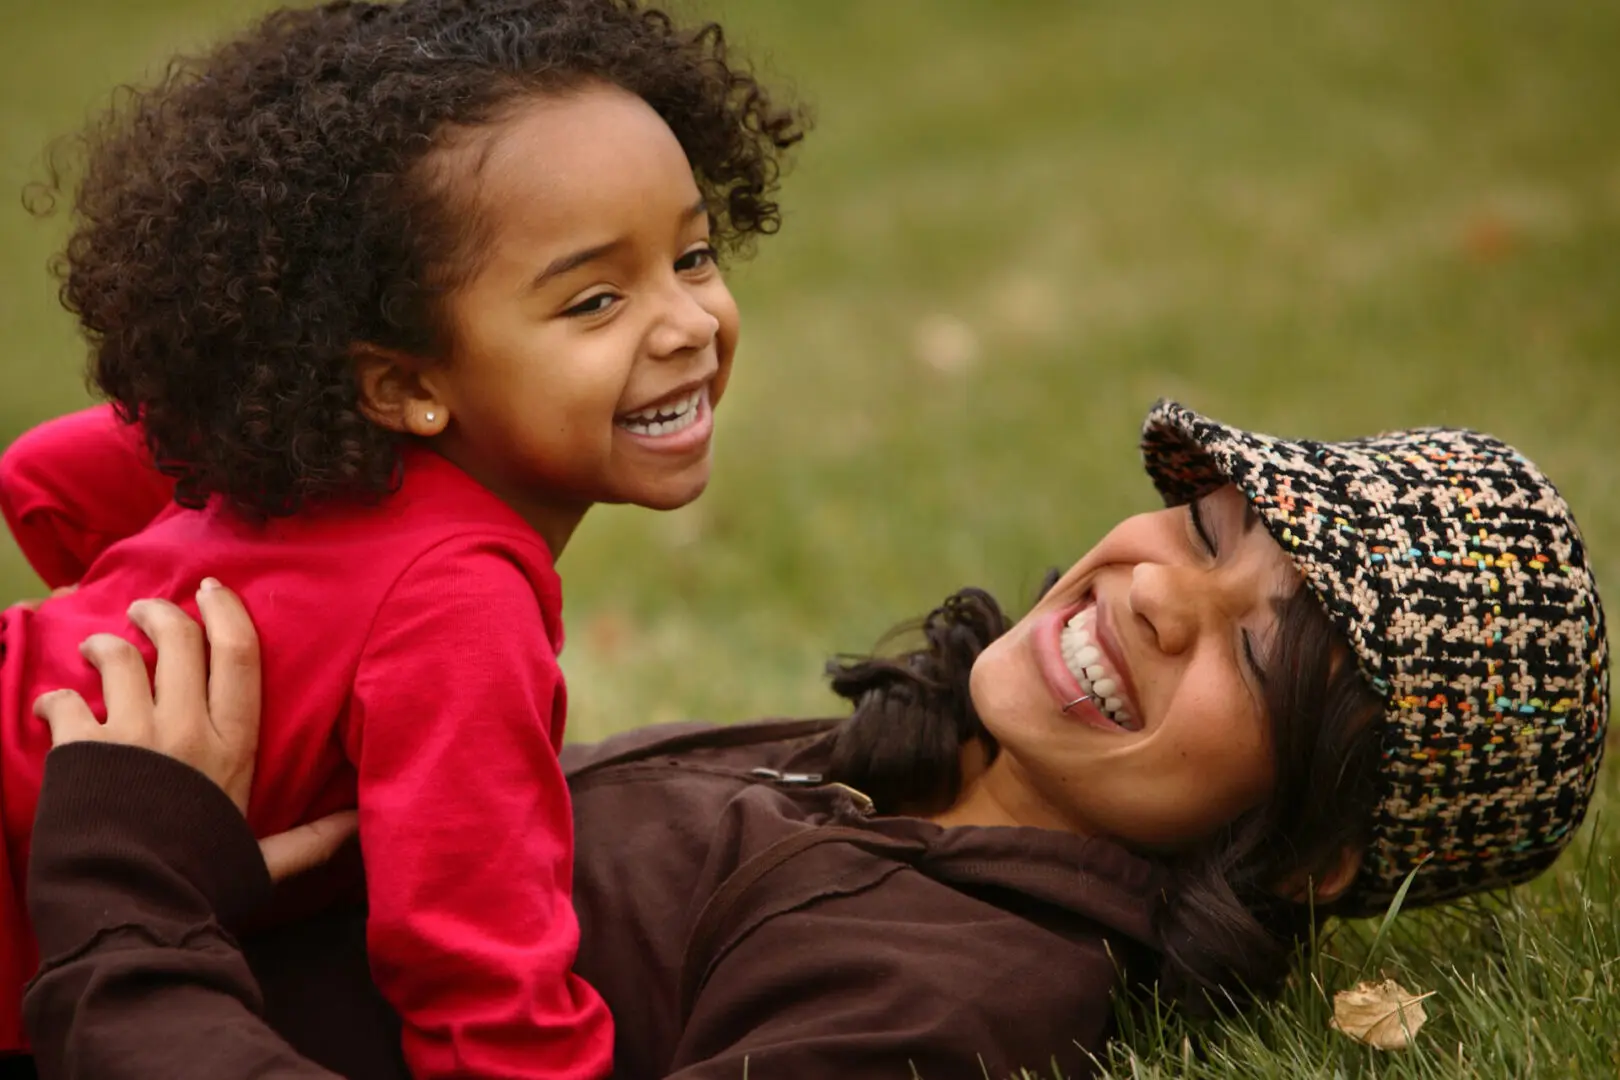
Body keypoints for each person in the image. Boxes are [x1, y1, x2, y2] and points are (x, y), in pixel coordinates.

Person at [19, 400, 1608, 1078]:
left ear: (1323, 851)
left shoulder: (960, 989)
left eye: (1263, 652)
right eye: (1206, 527)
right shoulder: (895, 779)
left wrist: (129, 900)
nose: (1157, 596)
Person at [0, 0, 804, 1074]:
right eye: (596, 300)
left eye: (694, 255)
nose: (689, 323)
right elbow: (482, 991)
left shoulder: (296, 459)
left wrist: (163, 617)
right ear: (405, 382)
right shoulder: (456, 603)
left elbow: (44, 476)